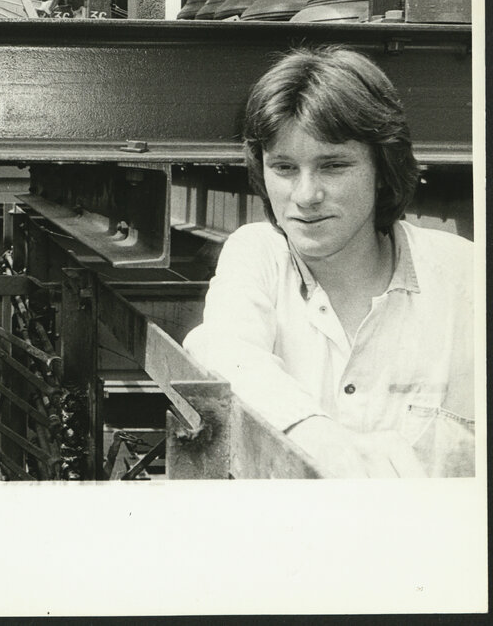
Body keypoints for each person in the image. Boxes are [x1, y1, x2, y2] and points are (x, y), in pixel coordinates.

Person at [182, 46, 475, 478]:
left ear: (383, 167)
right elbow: (226, 350)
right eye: (283, 167)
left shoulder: (465, 276)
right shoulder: (257, 253)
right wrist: (315, 435)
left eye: (333, 166)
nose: (305, 196)